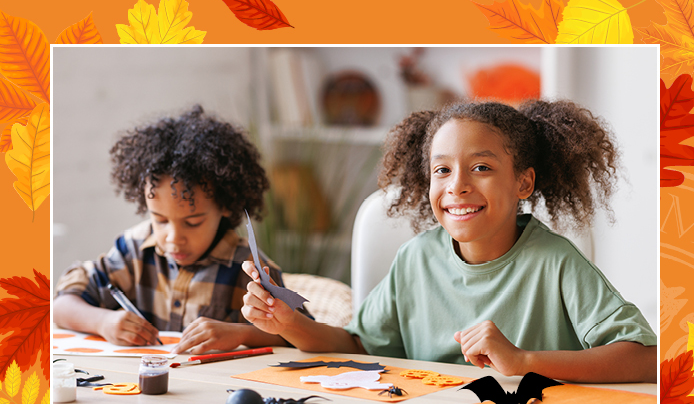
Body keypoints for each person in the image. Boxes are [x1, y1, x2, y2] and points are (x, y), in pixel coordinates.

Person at [242, 100, 656, 383]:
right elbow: (358, 344)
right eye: (442, 170)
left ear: (523, 182)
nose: (457, 186)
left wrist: (523, 361)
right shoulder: (416, 258)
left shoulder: (555, 262)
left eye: (480, 167)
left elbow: (645, 358)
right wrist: (289, 323)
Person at [54, 105, 299, 354]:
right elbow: (62, 305)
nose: (173, 239)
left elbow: (301, 335)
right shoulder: (134, 250)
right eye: (159, 220)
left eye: (192, 222)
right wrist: (103, 322)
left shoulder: (249, 268)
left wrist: (241, 333)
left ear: (225, 205)